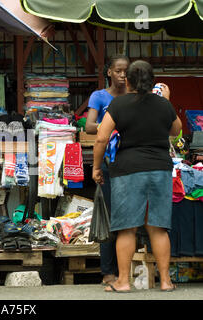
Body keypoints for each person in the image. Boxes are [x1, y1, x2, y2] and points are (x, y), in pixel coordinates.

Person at [92, 60, 182, 292]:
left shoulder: (119, 104)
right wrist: (166, 102)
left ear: (129, 81)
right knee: (158, 227)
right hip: (160, 169)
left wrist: (96, 167)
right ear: (152, 80)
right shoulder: (163, 104)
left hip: (128, 170)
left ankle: (122, 282)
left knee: (127, 228)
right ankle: (165, 281)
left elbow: (101, 138)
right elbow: (176, 130)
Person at [85, 54, 130, 286]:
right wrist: (112, 126)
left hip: (131, 160)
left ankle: (127, 271)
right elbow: (89, 125)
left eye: (126, 71)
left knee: (130, 216)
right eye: (119, 71)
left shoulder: (134, 95)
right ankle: (108, 271)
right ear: (109, 72)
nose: (123, 75)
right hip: (108, 161)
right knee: (110, 215)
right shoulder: (99, 96)